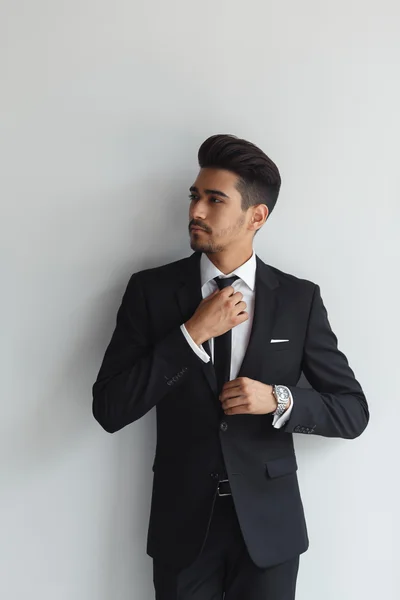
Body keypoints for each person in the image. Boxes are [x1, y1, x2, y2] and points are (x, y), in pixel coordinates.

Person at [92, 134, 369, 599]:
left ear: (256, 216)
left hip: (270, 530)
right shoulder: (151, 292)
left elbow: (352, 411)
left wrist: (278, 400)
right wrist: (191, 335)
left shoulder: (299, 300)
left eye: (214, 199)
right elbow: (110, 407)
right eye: (194, 196)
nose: (195, 210)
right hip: (183, 529)